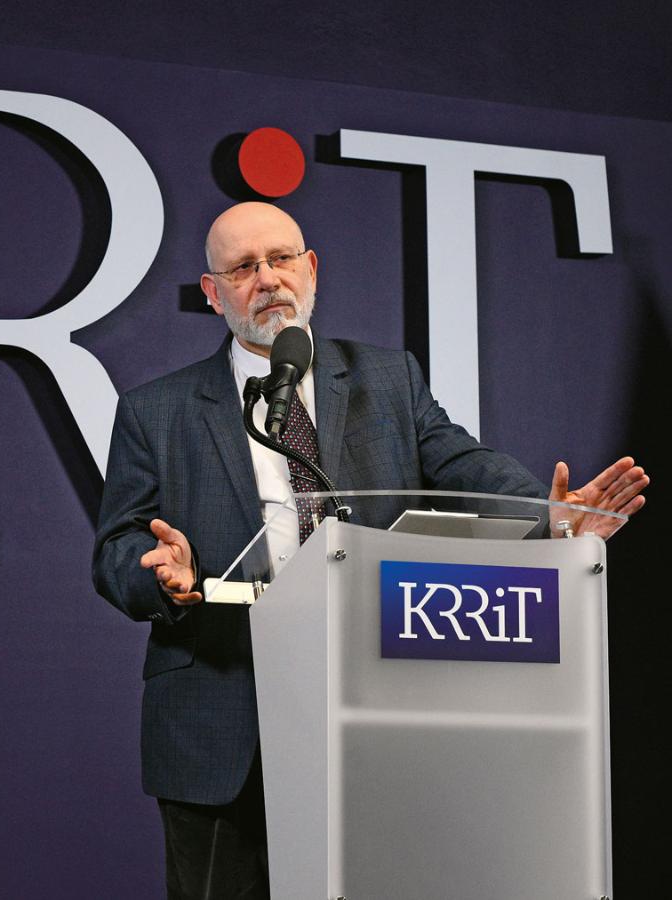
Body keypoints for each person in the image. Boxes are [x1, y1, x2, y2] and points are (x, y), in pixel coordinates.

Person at [90, 201, 649, 900]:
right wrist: (159, 574)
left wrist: (548, 515)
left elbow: (463, 464)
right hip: (220, 713)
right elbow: (117, 547)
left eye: (281, 259)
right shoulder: (157, 409)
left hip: (376, 697)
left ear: (311, 268)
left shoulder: (386, 378)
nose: (267, 279)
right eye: (242, 268)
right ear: (212, 292)